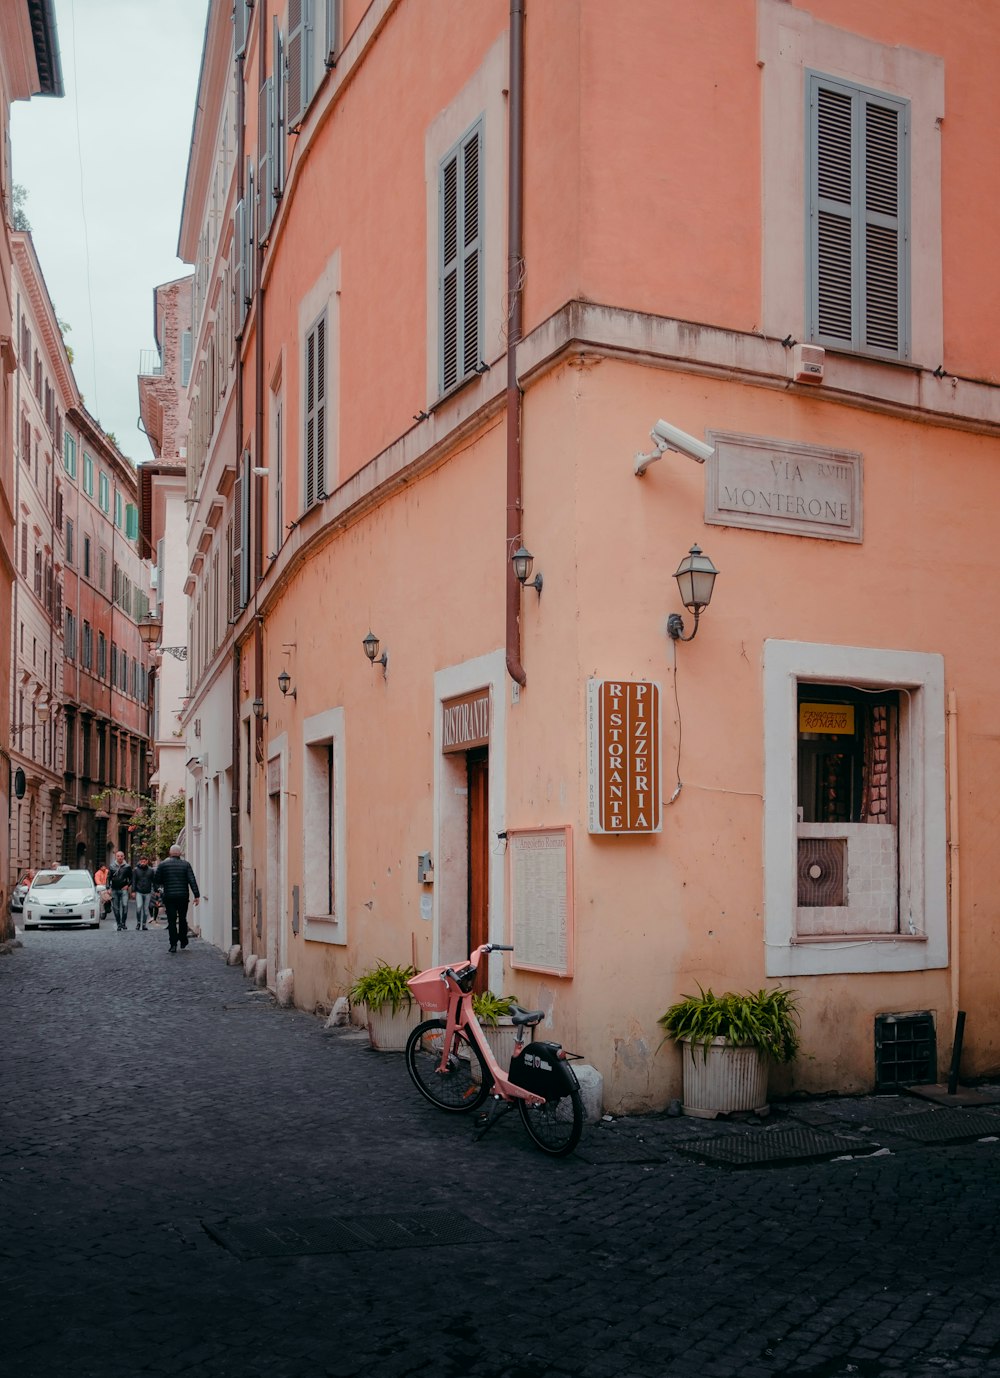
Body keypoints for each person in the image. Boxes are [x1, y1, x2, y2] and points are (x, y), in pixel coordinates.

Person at [153, 845, 200, 954]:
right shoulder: (186, 865)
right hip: (183, 896)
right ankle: (183, 939)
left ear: (170, 852)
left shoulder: (163, 865)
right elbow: (192, 880)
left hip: (169, 896)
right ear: (180, 853)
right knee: (182, 918)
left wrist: (160, 891)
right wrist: (196, 895)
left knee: (172, 920)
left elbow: (156, 881)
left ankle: (173, 944)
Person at [108, 850, 134, 931]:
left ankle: (123, 923)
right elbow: (108, 878)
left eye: (121, 856)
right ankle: (118, 924)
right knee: (116, 908)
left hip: (124, 890)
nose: (120, 857)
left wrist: (128, 885)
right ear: (116, 857)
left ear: (123, 857)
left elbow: (132, 878)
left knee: (125, 906)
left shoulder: (127, 867)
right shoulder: (112, 866)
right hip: (115, 889)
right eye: (118, 856)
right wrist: (108, 887)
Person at [131, 855, 156, 931]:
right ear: (140, 861)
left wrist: (156, 890)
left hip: (147, 891)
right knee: (139, 907)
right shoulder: (136, 870)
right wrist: (133, 891)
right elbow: (134, 881)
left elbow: (153, 881)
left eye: (144, 861)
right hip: (139, 891)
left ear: (147, 861)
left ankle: (144, 924)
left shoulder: (151, 870)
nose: (143, 863)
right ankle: (138, 922)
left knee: (145, 909)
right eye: (141, 861)